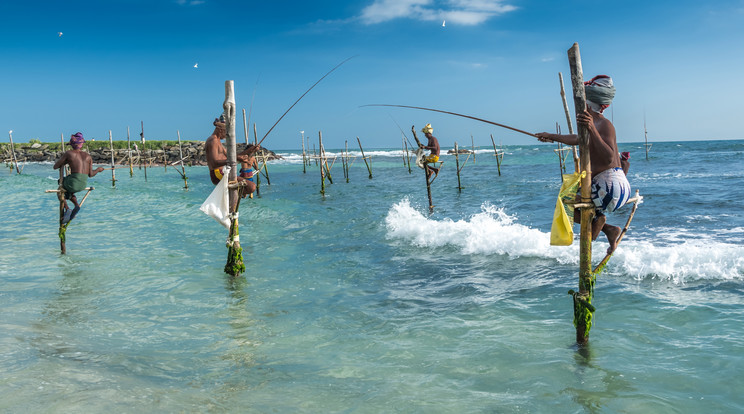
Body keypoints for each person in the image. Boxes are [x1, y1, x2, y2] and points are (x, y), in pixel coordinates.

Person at [535, 75, 631, 254]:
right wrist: (551, 136)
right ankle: (608, 229)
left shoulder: (603, 124)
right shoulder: (594, 123)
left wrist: (592, 129)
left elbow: (609, 157)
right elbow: (579, 139)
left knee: (565, 202)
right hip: (613, 188)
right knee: (573, 201)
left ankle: (600, 222)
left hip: (609, 186)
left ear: (587, 103)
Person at [53, 132, 104, 223]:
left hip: (73, 183)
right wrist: (98, 170)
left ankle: (68, 209)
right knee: (69, 191)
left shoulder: (69, 153)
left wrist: (64, 161)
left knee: (60, 188)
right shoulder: (88, 156)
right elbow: (91, 174)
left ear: (72, 145)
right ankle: (76, 205)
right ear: (81, 144)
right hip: (83, 184)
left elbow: (55, 166)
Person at [204, 115, 260, 196]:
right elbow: (214, 163)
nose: (227, 135)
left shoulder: (218, 141)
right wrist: (234, 160)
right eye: (226, 132)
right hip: (217, 174)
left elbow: (232, 156)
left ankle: (229, 198)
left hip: (222, 172)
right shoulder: (213, 141)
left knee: (250, 187)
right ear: (220, 129)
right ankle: (230, 197)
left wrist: (250, 150)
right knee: (251, 187)